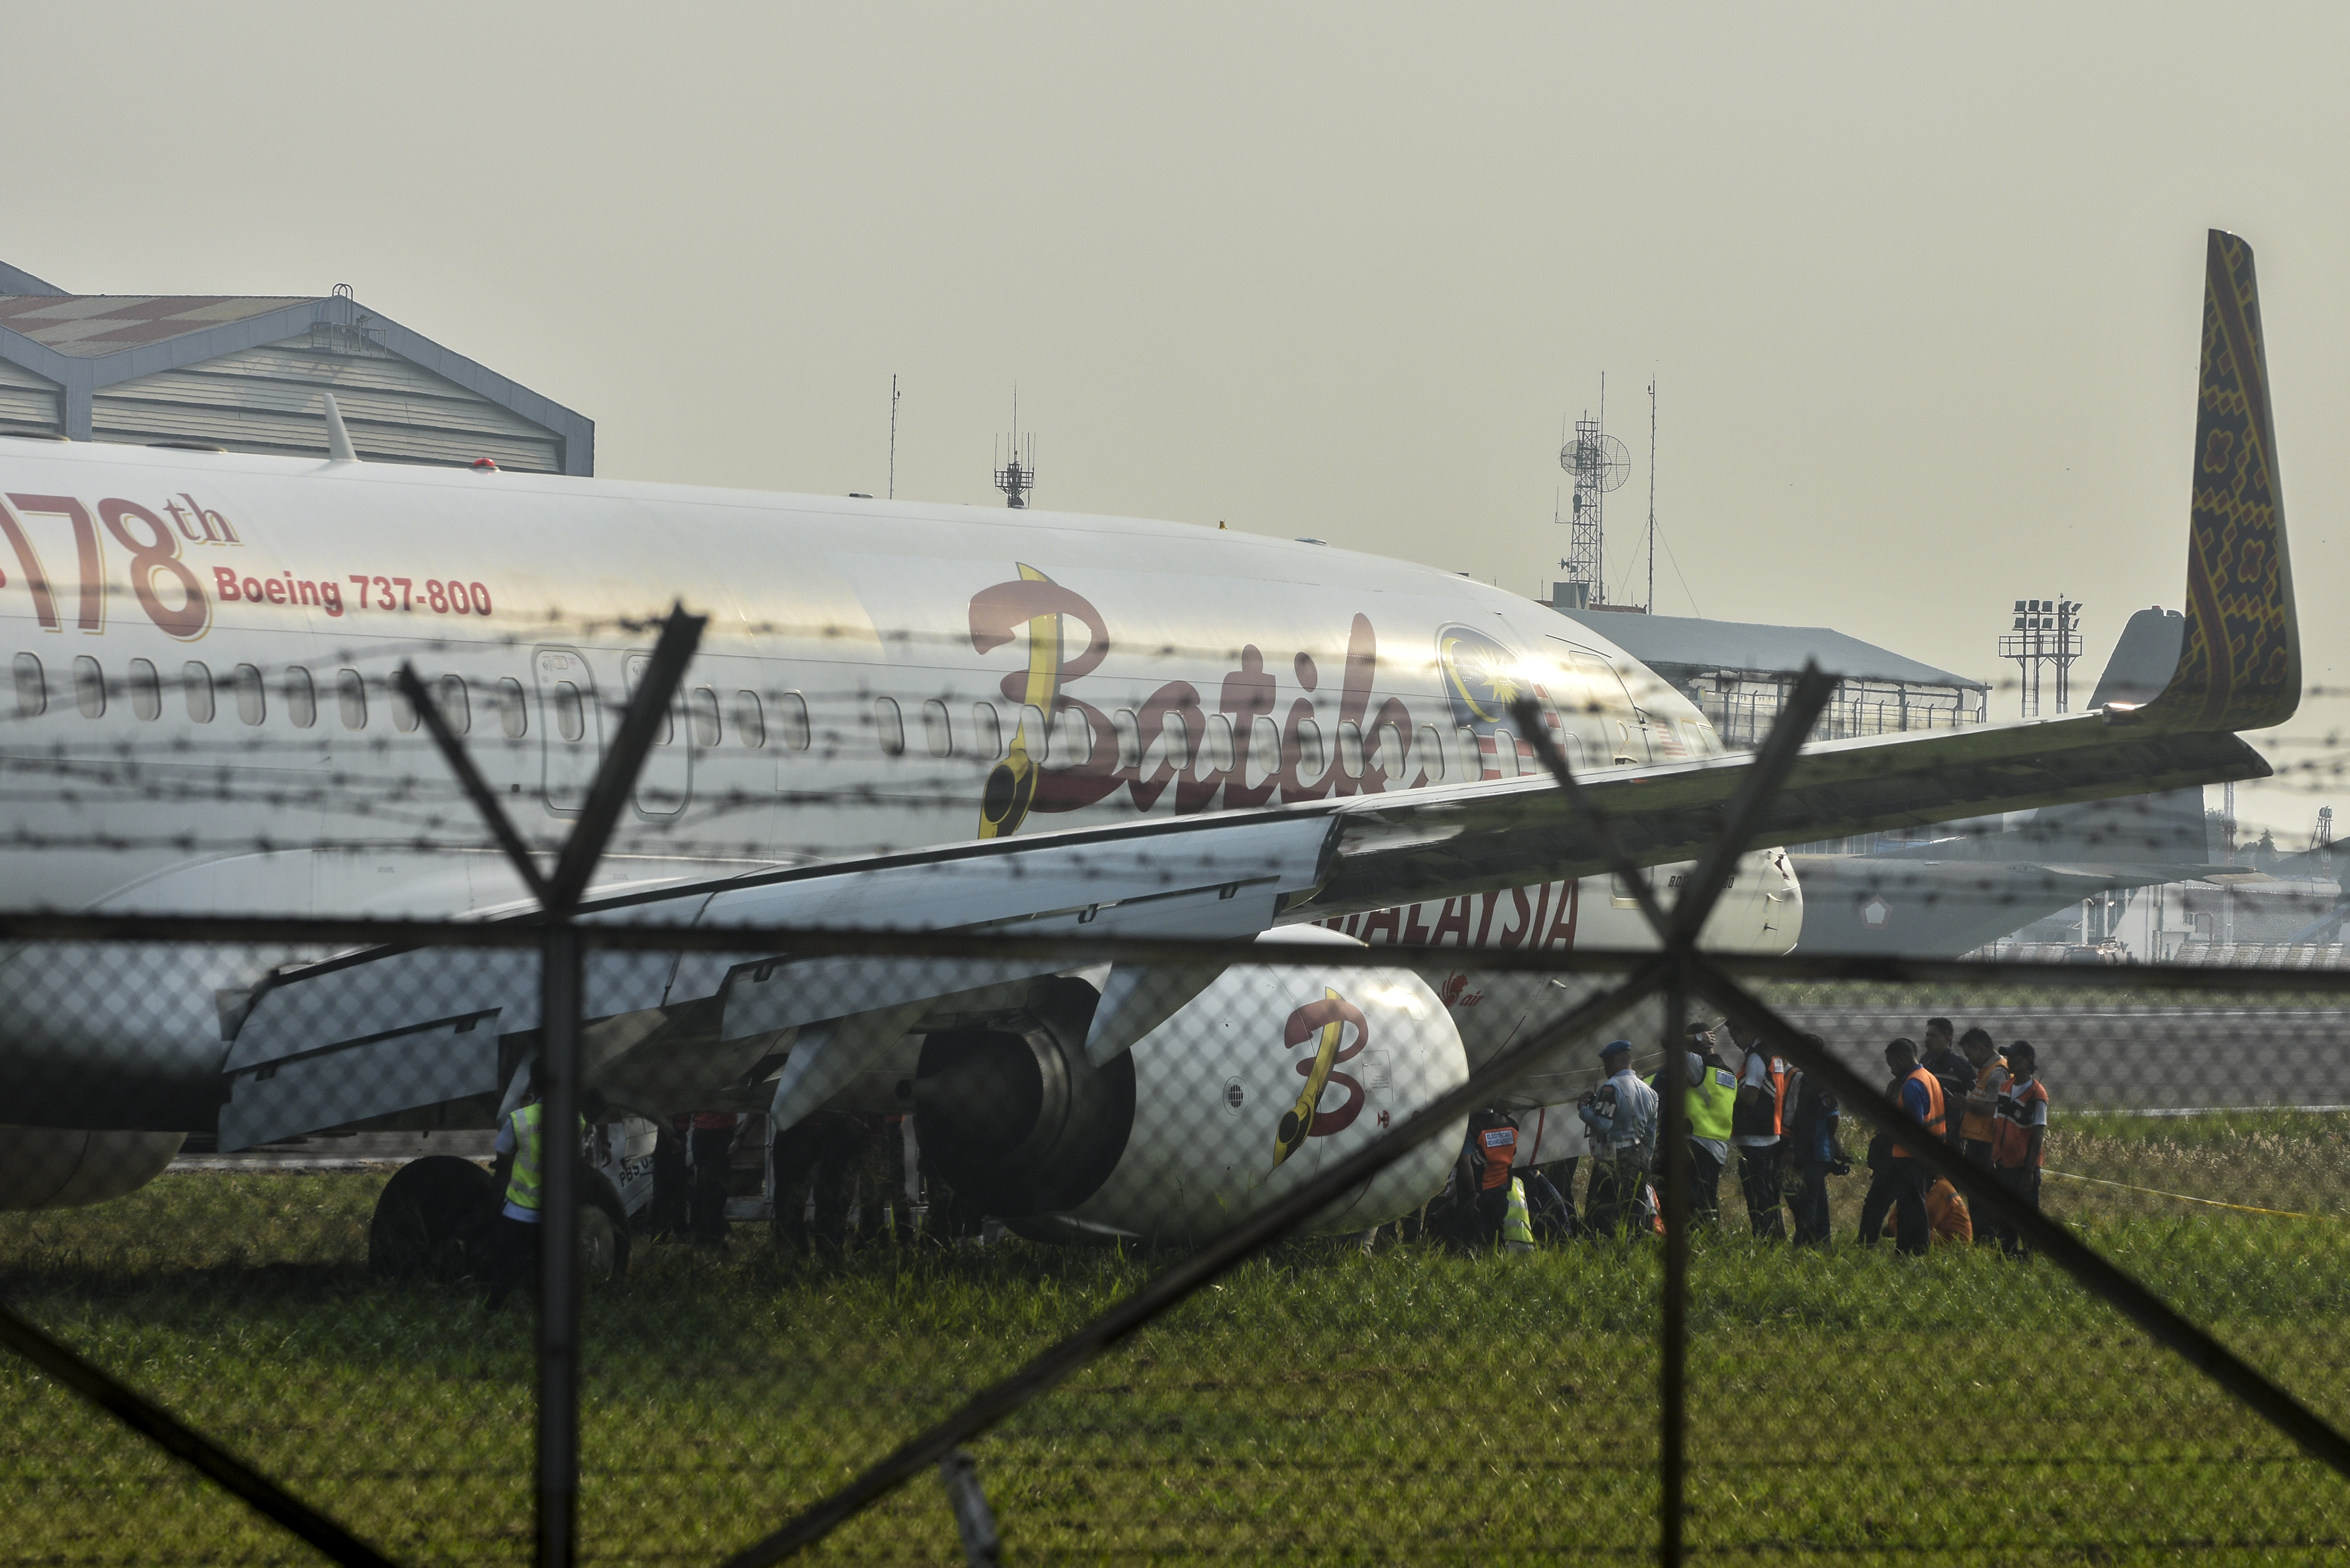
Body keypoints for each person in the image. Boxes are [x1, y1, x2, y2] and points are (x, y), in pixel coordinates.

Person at [485, 1063, 580, 1312]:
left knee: (506, 1263)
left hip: (519, 1210)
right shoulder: (573, 1119)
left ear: (534, 1086)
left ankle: (494, 1308)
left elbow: (503, 1152)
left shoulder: (519, 1119)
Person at [1856, 1038, 1943, 1255]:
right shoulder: (1929, 1078)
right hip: (1919, 1155)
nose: (1891, 1069)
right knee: (1896, 1204)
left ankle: (1912, 1250)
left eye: (1892, 1063)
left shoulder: (1912, 1085)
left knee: (1910, 1207)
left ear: (1903, 1058)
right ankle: (1889, 1247)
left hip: (1907, 1157)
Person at [1578, 1040, 1659, 1235]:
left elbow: (1601, 1124)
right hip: (1638, 1156)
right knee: (1635, 1212)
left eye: (1606, 1063)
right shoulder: (1650, 1092)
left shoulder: (1611, 1088)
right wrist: (1645, 1157)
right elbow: (1650, 1133)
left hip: (1613, 1158)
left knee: (1604, 1212)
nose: (1605, 1068)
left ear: (1614, 1060)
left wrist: (1584, 1109)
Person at [1781, 1033, 1845, 1247]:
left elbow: (1832, 1117)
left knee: (1808, 1199)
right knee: (1817, 1199)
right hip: (1806, 1149)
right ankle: (1823, 1241)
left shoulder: (1820, 1081)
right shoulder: (1806, 1078)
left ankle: (1803, 1242)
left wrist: (1829, 1139)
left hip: (1817, 1151)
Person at [1728, 1018, 1789, 1241]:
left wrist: (1729, 1089)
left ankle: (1764, 1236)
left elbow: (1751, 1097)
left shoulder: (1755, 1057)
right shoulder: (1774, 1054)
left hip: (1756, 1137)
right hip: (1771, 1132)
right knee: (1768, 1191)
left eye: (1737, 1036)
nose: (1735, 1041)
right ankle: (1775, 1234)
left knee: (1756, 1192)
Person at [1991, 1041, 2050, 1258]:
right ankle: (2007, 1252)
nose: (2010, 1062)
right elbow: (1997, 1122)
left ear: (2028, 1061)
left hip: (2023, 1167)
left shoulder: (2037, 1094)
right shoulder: (2006, 1087)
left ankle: (2032, 1254)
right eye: (2008, 1058)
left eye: (2015, 1058)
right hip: (2003, 1164)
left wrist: (2028, 1172)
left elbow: (2037, 1135)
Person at [1919, 1018, 1976, 1154]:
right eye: (1927, 1035)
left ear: (1948, 1039)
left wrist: (1959, 1120)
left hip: (1951, 1132)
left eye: (1934, 1036)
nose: (1928, 1039)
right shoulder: (1924, 1061)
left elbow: (1977, 1094)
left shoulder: (1960, 1066)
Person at [687, 1110, 742, 1247]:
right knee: (717, 1188)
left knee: (704, 1185)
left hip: (701, 1131)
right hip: (721, 1131)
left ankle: (699, 1235)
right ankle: (713, 1237)